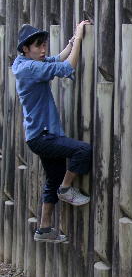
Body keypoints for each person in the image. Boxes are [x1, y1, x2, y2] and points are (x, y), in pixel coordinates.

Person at [13, 21, 92, 243]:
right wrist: (79, 39)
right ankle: (66, 190)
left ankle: (44, 229)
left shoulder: (25, 63)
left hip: (39, 135)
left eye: (44, 45)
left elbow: (56, 59)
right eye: (38, 46)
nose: (43, 49)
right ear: (25, 48)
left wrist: (71, 42)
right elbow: (67, 68)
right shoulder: (29, 69)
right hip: (43, 136)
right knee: (83, 150)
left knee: (53, 178)